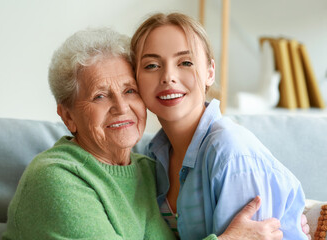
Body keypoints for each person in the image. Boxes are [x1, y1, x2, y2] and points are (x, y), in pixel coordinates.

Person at [2, 27, 282, 240]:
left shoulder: (152, 171)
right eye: (100, 96)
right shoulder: (55, 178)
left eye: (129, 91)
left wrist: (298, 215)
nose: (121, 108)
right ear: (68, 116)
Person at [131, 12, 310, 240]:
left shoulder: (230, 153)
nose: (168, 76)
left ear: (210, 72)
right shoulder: (154, 154)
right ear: (135, 79)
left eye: (185, 62)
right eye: (152, 65)